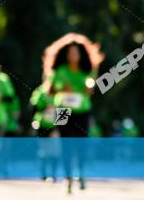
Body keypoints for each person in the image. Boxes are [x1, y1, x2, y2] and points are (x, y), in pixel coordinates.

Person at [43, 34, 102, 193]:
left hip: (82, 110)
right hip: (62, 110)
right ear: (65, 54)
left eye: (76, 53)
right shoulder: (59, 71)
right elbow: (50, 90)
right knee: (65, 145)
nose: (73, 56)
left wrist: (90, 88)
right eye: (70, 53)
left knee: (81, 144)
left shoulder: (87, 71)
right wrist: (62, 89)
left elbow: (90, 88)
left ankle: (81, 174)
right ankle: (68, 178)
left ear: (81, 54)